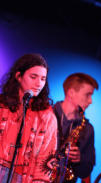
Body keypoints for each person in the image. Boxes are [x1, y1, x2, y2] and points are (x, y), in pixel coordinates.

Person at [0, 53, 57, 183]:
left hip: (21, 176)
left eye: (43, 79)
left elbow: (46, 158)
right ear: (19, 76)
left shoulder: (47, 117)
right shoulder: (2, 105)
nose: (38, 83)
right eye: (33, 77)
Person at [53, 73, 98, 183]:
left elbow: (86, 172)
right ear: (71, 93)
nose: (91, 101)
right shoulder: (46, 115)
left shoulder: (88, 129)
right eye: (87, 95)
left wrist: (80, 159)